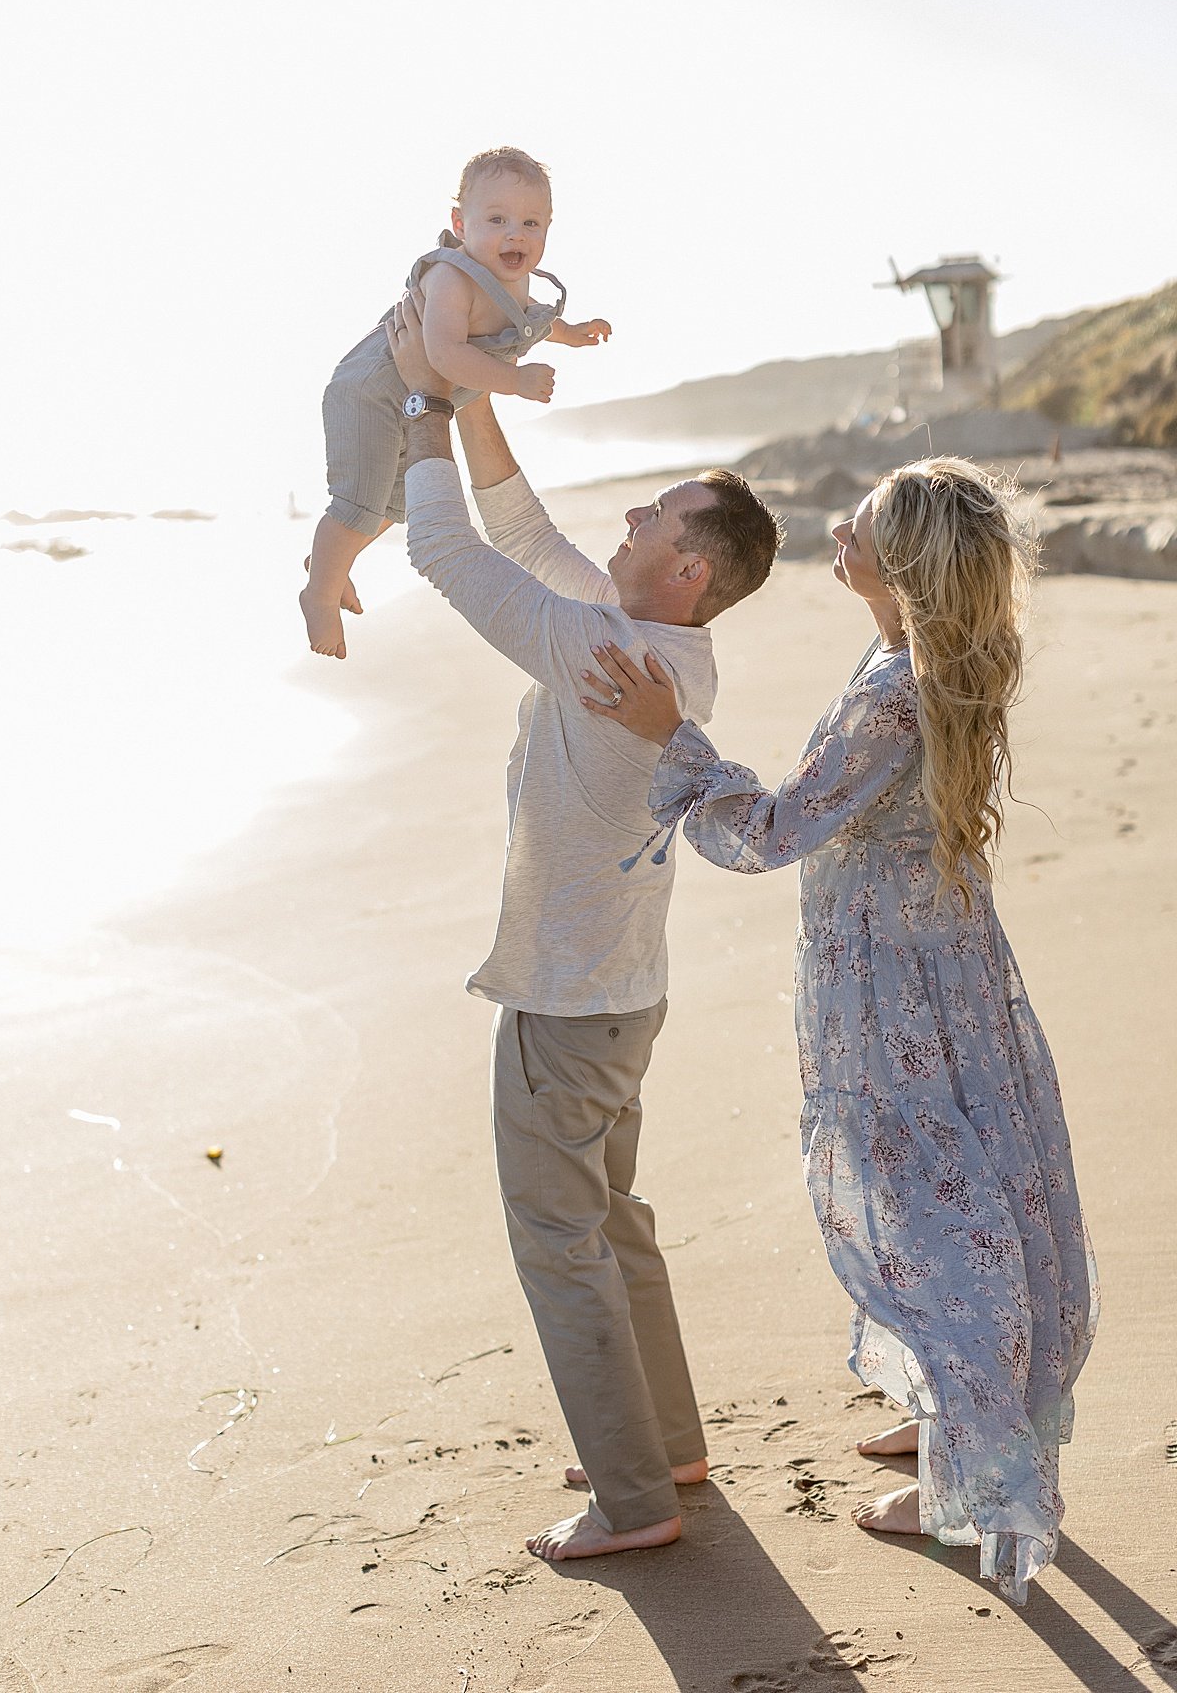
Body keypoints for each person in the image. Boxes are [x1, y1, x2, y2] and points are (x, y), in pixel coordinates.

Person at [582, 460, 1098, 1604]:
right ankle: (957, 1424)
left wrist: (676, 735)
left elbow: (771, 832)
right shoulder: (935, 661)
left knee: (932, 1214)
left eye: (857, 527)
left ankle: (974, 1477)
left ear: (901, 566)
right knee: (981, 1180)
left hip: (893, 986)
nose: (833, 530)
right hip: (944, 962)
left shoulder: (893, 689)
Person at [384, 289, 781, 1561]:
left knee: (559, 1243)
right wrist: (472, 390)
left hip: (566, 1007)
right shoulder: (652, 643)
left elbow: (448, 553)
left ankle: (632, 1500)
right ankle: (662, 1447)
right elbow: (516, 522)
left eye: (656, 515)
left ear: (691, 567)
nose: (632, 514)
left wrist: (414, 396)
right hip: (623, 994)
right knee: (612, 1224)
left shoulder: (605, 661)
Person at [299, 145, 611, 659]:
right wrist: (515, 380)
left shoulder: (516, 281)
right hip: (370, 396)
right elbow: (442, 354)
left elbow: (530, 315)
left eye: (531, 223)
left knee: (394, 505)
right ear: (460, 224)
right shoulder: (452, 277)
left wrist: (570, 333)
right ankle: (319, 594)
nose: (515, 233)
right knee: (357, 502)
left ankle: (329, 562)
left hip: (409, 401)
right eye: (497, 219)